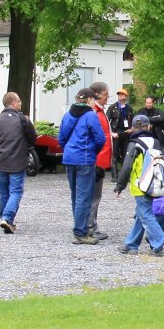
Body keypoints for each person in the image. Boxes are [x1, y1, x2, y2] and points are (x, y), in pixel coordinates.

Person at [115, 114, 164, 255]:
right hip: (155, 183)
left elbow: (127, 166)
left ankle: (160, 242)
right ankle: (131, 244)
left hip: (140, 185)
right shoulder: (156, 142)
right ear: (148, 127)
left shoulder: (134, 144)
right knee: (141, 213)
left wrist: (119, 186)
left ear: (133, 128)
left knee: (145, 213)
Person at [59, 88, 106, 244]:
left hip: (69, 159)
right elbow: (100, 139)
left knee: (75, 195)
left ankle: (80, 228)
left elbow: (61, 138)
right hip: (84, 159)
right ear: (90, 99)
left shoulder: (67, 115)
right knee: (84, 197)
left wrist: (69, 150)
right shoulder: (90, 115)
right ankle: (80, 232)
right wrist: (92, 151)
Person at [0, 91, 37, 233]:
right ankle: (7, 217)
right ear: (13, 103)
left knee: (4, 193)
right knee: (16, 191)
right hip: (17, 160)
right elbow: (33, 138)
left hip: (0, 160)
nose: (21, 103)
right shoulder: (22, 119)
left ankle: (5, 220)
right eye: (19, 101)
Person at [87, 82, 114, 239]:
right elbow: (96, 138)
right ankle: (90, 226)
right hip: (96, 161)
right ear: (96, 94)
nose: (107, 98)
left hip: (99, 160)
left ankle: (89, 225)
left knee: (93, 195)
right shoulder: (94, 113)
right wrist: (97, 161)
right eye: (105, 95)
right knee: (93, 196)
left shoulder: (98, 111)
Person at [108, 88, 133, 164]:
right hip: (116, 133)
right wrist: (111, 133)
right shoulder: (112, 107)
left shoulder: (129, 108)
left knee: (125, 152)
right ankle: (114, 170)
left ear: (126, 96)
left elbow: (132, 121)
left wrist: (131, 129)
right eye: (119, 94)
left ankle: (124, 169)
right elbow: (107, 121)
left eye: (122, 94)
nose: (120, 96)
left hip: (126, 133)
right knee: (114, 153)